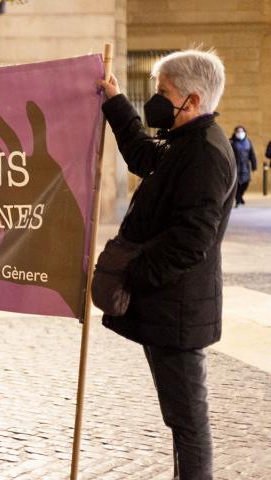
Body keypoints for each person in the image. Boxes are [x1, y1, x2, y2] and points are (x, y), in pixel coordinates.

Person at [98, 49, 235, 480]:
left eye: (163, 93)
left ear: (191, 100)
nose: (156, 100)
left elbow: (190, 243)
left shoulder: (206, 154)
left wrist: (132, 274)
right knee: (180, 418)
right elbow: (142, 155)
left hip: (178, 308)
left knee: (189, 421)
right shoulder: (187, 142)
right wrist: (115, 102)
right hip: (172, 304)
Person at [229, 125, 257, 206]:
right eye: (238, 131)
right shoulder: (231, 142)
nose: (240, 133)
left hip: (245, 167)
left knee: (245, 183)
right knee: (237, 184)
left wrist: (254, 165)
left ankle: (240, 196)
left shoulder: (248, 142)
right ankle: (238, 199)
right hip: (235, 167)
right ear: (235, 132)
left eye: (242, 131)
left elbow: (252, 154)